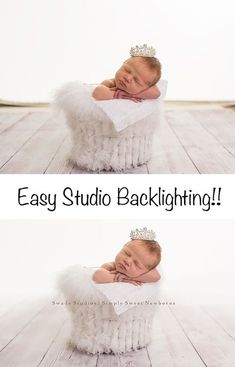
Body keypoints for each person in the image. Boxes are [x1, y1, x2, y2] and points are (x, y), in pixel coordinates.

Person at [92, 44, 161, 103]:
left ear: (146, 88)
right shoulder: (111, 83)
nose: (127, 78)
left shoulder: (145, 90)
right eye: (127, 70)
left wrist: (133, 95)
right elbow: (97, 92)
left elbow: (156, 93)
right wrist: (118, 95)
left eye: (136, 80)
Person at [92, 227, 161, 286]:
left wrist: (131, 278)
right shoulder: (111, 266)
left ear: (144, 272)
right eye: (126, 253)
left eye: (136, 264)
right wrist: (119, 279)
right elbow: (96, 275)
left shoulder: (144, 273)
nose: (127, 261)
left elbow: (156, 276)